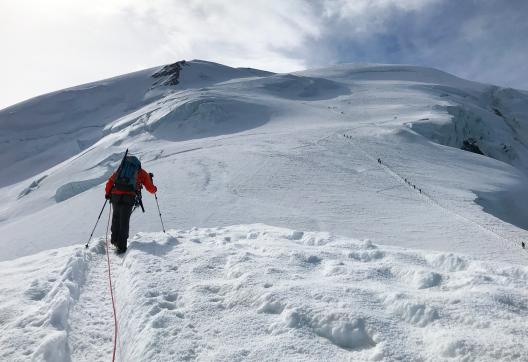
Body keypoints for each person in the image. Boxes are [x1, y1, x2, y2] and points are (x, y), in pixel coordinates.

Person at [104, 155, 157, 253]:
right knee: (124, 220)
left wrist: (107, 193)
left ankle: (114, 240)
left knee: (116, 217)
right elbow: (150, 188)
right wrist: (155, 189)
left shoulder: (121, 169)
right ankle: (121, 246)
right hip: (129, 197)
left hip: (115, 195)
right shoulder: (141, 172)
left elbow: (110, 181)